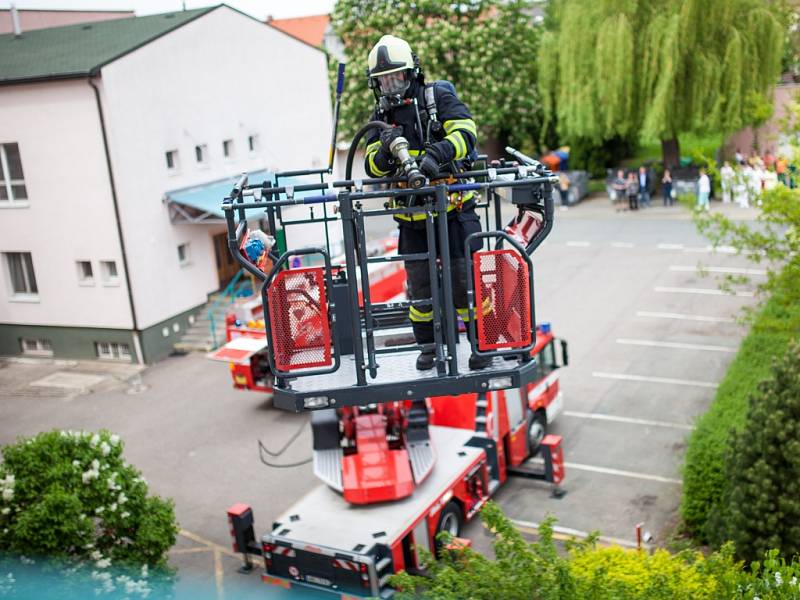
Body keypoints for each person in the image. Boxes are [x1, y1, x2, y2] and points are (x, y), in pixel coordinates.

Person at [362, 34, 489, 371]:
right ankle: (428, 347)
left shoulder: (436, 98)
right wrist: (388, 151)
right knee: (420, 291)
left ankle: (480, 345)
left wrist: (438, 154)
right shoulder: (381, 115)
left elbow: (466, 132)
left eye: (396, 77)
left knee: (466, 286)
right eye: (383, 81)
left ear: (412, 73)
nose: (391, 86)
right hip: (411, 218)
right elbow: (371, 165)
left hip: (453, 213)